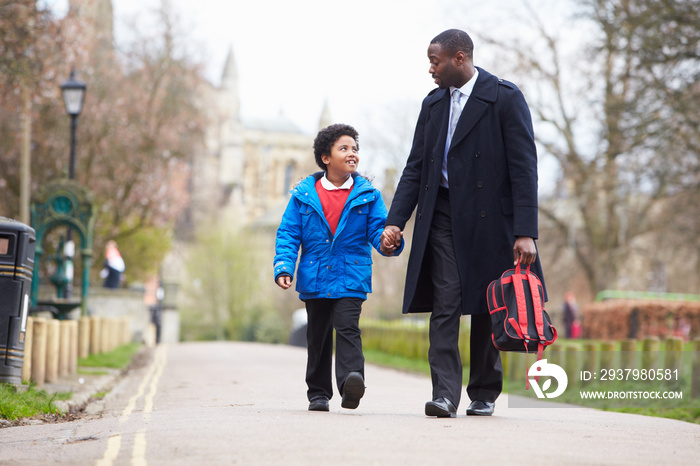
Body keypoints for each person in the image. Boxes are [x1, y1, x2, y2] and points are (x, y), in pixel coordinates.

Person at [381, 29, 546, 417]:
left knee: (489, 304)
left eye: (435, 61)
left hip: (491, 220)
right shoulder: (433, 104)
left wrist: (526, 231)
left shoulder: (504, 98)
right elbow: (416, 167)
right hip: (441, 214)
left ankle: (484, 392)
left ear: (459, 58)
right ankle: (444, 395)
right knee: (446, 301)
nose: (430, 69)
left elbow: (525, 169)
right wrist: (395, 221)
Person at [274, 123, 403, 412]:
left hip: (351, 273)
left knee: (347, 327)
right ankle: (318, 393)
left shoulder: (369, 195)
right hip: (315, 275)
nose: (352, 153)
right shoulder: (303, 195)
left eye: (355, 149)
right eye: (343, 148)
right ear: (325, 158)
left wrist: (388, 242)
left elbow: (378, 232)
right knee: (317, 334)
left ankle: (351, 382)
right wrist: (284, 266)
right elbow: (288, 234)